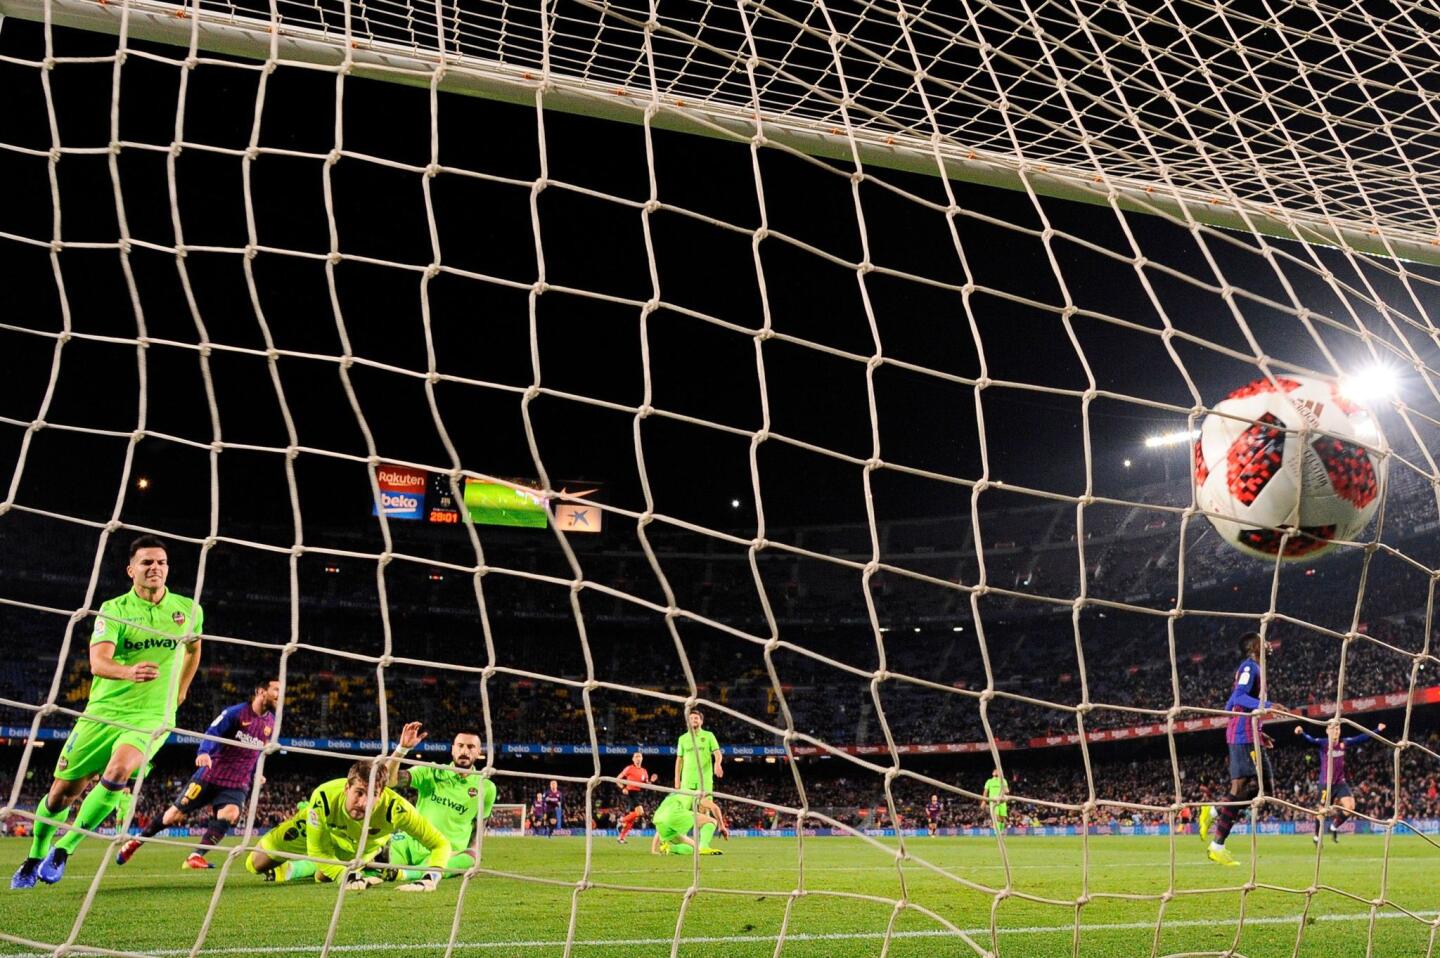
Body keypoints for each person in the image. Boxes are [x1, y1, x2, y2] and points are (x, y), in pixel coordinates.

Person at [12, 536, 203, 889]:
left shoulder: (188, 610)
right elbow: (98, 662)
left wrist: (181, 691)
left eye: (161, 562)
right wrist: (129, 672)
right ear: (131, 570)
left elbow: (194, 649)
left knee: (119, 772)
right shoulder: (113, 609)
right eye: (146, 562)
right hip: (103, 713)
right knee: (60, 795)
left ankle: (65, 850)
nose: (155, 568)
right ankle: (36, 854)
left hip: (151, 717)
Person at [117, 678, 279, 869]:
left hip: (237, 782)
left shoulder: (271, 722)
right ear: (261, 691)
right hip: (211, 775)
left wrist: (257, 773)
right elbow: (212, 732)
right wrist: (204, 752)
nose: (280, 695)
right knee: (172, 817)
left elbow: (259, 751)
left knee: (231, 814)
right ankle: (136, 841)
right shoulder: (236, 713)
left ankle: (195, 855)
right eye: (276, 689)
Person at [244, 760, 448, 891]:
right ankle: (299, 864)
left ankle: (374, 854)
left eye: (373, 795)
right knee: (254, 863)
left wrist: (431, 877)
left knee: (324, 876)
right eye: (359, 792)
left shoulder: (397, 809)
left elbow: (440, 844)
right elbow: (317, 850)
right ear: (346, 788)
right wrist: (346, 875)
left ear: (382, 794)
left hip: (360, 843)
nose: (363, 803)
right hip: (318, 830)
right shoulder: (324, 796)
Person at [1199, 632, 1288, 867]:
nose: (1269, 643)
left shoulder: (1258, 670)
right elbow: (1238, 697)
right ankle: (1217, 845)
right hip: (1242, 735)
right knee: (1241, 788)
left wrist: (1259, 730)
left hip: (1250, 733)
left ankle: (1215, 813)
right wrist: (1267, 706)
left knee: (1266, 790)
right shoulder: (1249, 667)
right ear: (1253, 647)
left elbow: (1231, 702)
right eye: (1263, 640)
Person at [382, 721, 495, 882]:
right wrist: (402, 749)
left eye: (470, 747)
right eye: (460, 745)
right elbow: (389, 781)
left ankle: (403, 874)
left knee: (472, 857)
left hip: (446, 853)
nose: (464, 751)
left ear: (478, 752)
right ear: (453, 749)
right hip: (410, 844)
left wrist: (469, 851)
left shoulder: (487, 787)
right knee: (379, 852)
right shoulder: (431, 771)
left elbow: (479, 828)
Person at [1294, 720, 1385, 843]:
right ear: (1327, 731)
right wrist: (1302, 733)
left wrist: (1377, 730)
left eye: (1338, 729)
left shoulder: (1344, 743)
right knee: (1322, 812)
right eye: (1333, 729)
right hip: (1326, 784)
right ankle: (1316, 836)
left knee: (1350, 806)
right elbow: (1310, 740)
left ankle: (1334, 826)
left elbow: (1361, 738)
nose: (1336, 731)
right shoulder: (1323, 743)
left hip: (1340, 783)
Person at [650, 793, 724, 856]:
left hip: (660, 824)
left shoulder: (672, 797)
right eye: (706, 809)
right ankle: (704, 846)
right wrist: (722, 825)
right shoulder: (695, 794)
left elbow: (660, 828)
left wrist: (653, 850)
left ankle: (668, 848)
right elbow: (715, 807)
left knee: (695, 849)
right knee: (712, 821)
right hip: (675, 815)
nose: (705, 811)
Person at [674, 709, 722, 797]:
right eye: (691, 718)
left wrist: (717, 763)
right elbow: (679, 760)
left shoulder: (709, 735)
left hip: (704, 780)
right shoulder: (682, 738)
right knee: (686, 808)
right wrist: (677, 778)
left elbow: (717, 752)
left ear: (701, 721)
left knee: (703, 808)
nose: (693, 720)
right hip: (687, 780)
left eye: (696, 718)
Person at [982, 769, 1008, 834]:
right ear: (992, 773)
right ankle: (997, 831)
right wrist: (984, 801)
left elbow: (1007, 791)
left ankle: (1001, 830)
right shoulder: (989, 781)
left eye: (998, 771)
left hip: (1002, 801)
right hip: (993, 801)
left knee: (1002, 817)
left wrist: (1005, 790)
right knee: (996, 815)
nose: (996, 772)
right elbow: (985, 792)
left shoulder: (1003, 780)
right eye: (995, 771)